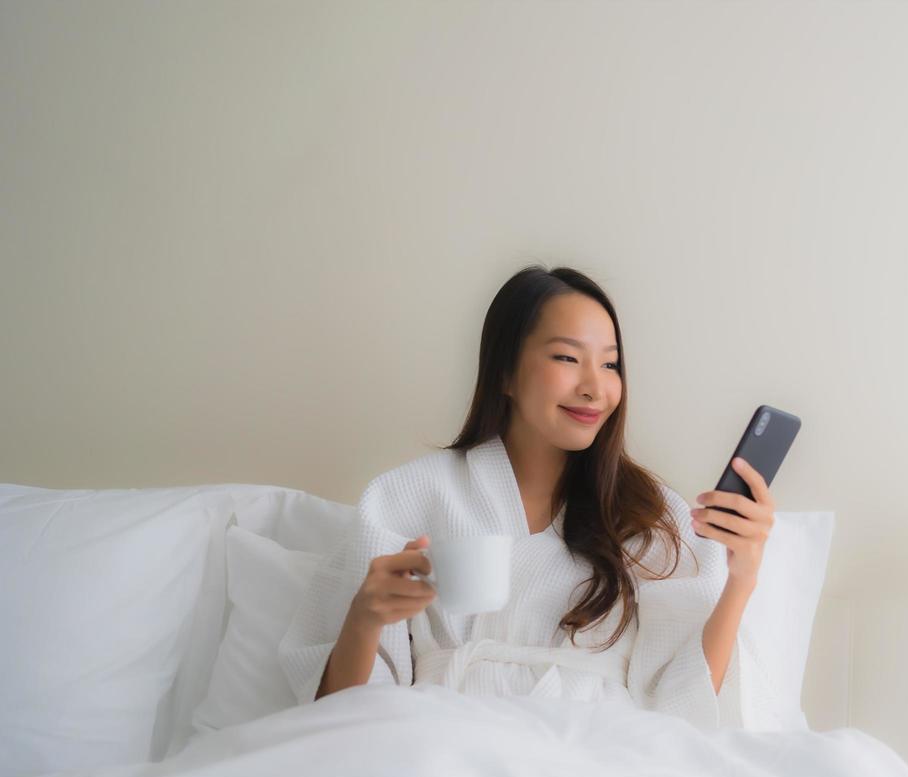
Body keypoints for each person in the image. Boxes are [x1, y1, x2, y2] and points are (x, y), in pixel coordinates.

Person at [276, 264, 787, 732]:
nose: (595, 388)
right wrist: (365, 618)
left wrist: (740, 579)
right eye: (567, 358)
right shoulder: (403, 498)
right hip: (447, 742)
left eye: (610, 366)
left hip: (601, 753)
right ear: (504, 372)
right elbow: (338, 727)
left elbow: (684, 707)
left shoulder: (650, 515)